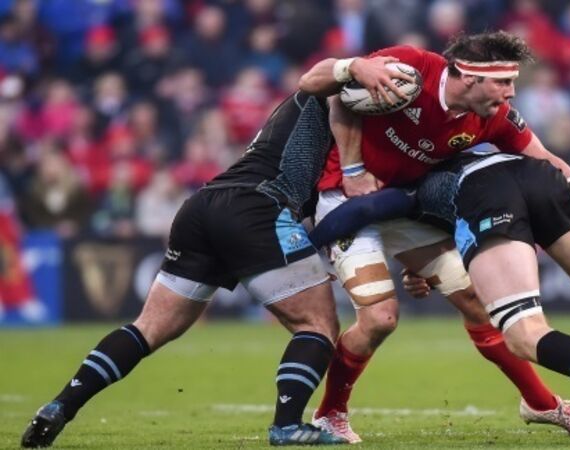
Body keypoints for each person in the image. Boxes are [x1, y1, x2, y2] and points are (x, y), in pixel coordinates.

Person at [18, 83, 402, 446]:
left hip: (203, 205)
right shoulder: (325, 94)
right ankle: (287, 425)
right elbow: (327, 79)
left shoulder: (306, 124)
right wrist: (360, 72)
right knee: (316, 325)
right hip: (256, 206)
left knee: (148, 328)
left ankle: (60, 406)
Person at [298, 31, 570, 442]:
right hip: (345, 200)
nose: (511, 93)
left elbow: (544, 157)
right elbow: (320, 86)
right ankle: (330, 413)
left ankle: (541, 403)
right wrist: (353, 69)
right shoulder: (411, 67)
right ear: (470, 77)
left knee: (476, 301)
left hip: (402, 207)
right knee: (380, 319)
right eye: (503, 82)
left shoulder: (493, 116)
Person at [313, 147, 570, 442]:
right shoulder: (475, 132)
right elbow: (531, 145)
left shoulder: (414, 182)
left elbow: (365, 209)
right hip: (537, 175)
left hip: (489, 195)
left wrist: (306, 248)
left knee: (523, 331)